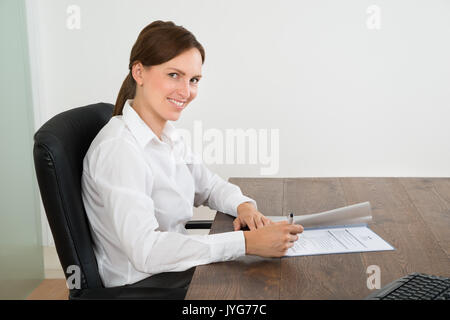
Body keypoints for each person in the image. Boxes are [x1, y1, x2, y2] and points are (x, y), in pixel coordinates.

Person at [81, 20, 303, 294]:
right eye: (173, 75)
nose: (186, 92)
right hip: (143, 285)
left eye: (193, 80)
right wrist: (246, 244)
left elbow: (208, 186)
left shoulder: (167, 136)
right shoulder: (119, 150)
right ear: (139, 72)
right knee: (272, 286)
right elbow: (146, 252)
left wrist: (244, 206)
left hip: (172, 270)